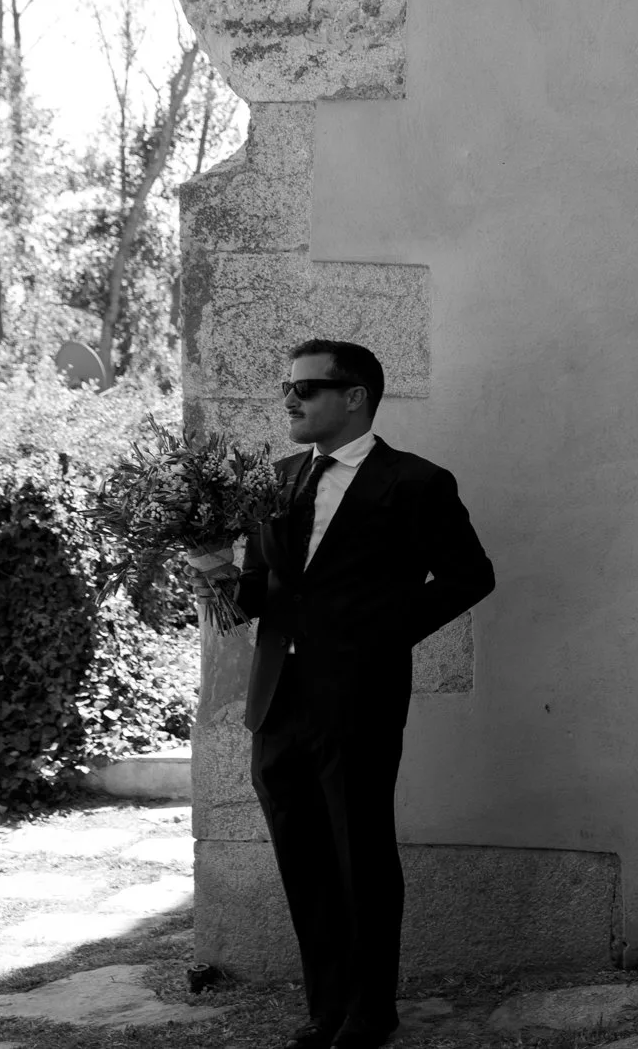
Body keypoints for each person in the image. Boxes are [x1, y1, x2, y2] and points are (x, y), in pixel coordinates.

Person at [203, 340, 495, 1049]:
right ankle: (325, 1007)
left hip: (358, 694)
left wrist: (377, 634)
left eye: (305, 387)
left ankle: (371, 1010)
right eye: (286, 387)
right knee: (300, 854)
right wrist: (216, 572)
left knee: (358, 852)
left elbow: (468, 575)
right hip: (276, 697)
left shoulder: (415, 482)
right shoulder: (275, 481)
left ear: (355, 396)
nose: (290, 399)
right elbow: (268, 593)